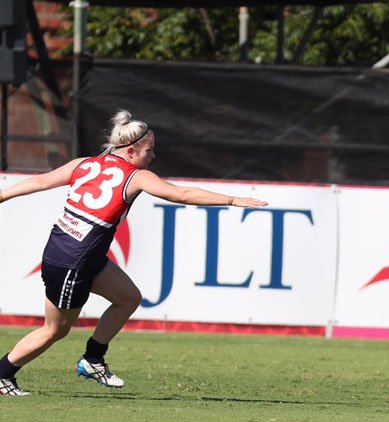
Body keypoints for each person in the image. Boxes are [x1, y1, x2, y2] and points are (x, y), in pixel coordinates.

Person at [0, 110, 267, 397]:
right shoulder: (136, 176)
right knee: (54, 330)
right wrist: (232, 199)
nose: (153, 156)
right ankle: (3, 374)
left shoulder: (84, 164)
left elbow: (40, 181)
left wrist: (2, 195)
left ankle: (93, 358)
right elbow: (181, 195)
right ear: (130, 151)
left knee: (128, 298)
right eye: (149, 151)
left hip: (76, 256)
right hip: (73, 263)